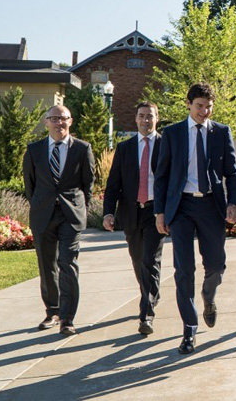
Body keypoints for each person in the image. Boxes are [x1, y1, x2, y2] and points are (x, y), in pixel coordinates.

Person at [154, 83, 236, 354]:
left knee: (216, 264)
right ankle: (189, 330)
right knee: (184, 271)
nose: (204, 111)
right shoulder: (172, 133)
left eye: (209, 106)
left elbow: (233, 173)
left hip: (211, 207)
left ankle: (208, 295)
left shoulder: (221, 132)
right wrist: (160, 212)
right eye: (200, 106)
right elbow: (162, 175)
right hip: (181, 208)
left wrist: (233, 203)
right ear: (189, 104)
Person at [22, 104, 94, 336]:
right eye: (54, 118)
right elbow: (30, 185)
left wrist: (79, 208)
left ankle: (67, 318)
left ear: (70, 121)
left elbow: (88, 184)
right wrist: (40, 205)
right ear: (46, 122)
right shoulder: (34, 150)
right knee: (46, 266)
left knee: (67, 264)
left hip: (70, 216)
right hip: (43, 215)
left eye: (63, 119)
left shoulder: (82, 149)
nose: (58, 123)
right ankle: (52, 311)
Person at [102, 101, 164, 336]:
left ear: (157, 118)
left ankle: (146, 314)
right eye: (141, 116)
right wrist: (108, 212)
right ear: (135, 119)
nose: (146, 120)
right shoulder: (125, 148)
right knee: (138, 260)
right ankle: (151, 293)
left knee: (150, 259)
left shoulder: (165, 145)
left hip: (156, 211)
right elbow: (113, 184)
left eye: (150, 116)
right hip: (131, 212)